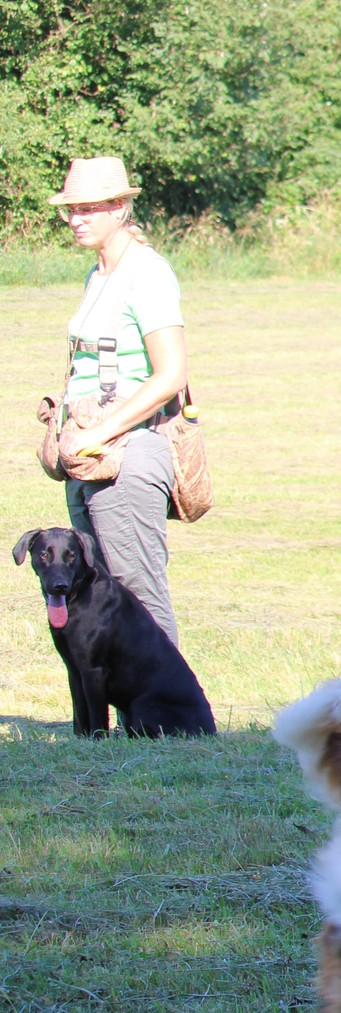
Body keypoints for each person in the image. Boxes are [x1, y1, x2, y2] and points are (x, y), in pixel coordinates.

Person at [49, 157, 189, 646]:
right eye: (71, 210)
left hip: (126, 451)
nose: (76, 219)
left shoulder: (146, 273)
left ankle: (172, 698)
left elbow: (171, 374)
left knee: (138, 596)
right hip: (90, 455)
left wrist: (98, 433)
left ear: (120, 207)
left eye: (88, 209)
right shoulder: (99, 272)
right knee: (99, 594)